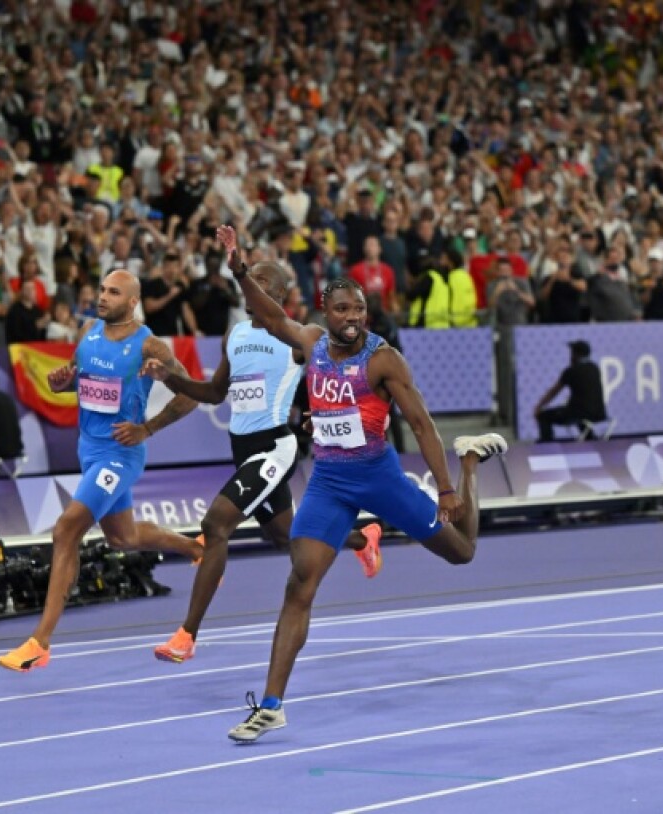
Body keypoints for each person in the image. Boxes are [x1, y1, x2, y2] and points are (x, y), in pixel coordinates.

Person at [215, 224, 506, 743]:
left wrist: (446, 488)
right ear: (326, 312)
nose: (353, 319)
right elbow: (270, 314)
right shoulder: (310, 343)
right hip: (328, 482)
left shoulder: (382, 359)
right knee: (298, 583)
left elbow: (421, 424)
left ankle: (472, 462)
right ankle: (273, 705)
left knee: (461, 552)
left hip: (379, 479)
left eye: (360, 311)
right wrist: (239, 269)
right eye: (344, 310)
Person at [141, 263, 383, 664]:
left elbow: (340, 374)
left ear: (280, 295)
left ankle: (187, 635)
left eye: (261, 281)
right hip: (243, 450)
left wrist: (338, 413)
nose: (251, 284)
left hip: (275, 448)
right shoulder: (235, 334)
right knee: (287, 537)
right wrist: (172, 378)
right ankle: (362, 538)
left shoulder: (297, 337)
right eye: (249, 278)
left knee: (215, 524)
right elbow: (216, 393)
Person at [0, 270, 209, 671]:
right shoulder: (91, 331)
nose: (103, 296)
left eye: (113, 292)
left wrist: (147, 427)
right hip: (88, 450)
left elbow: (192, 396)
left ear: (132, 302)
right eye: (102, 290)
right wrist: (63, 385)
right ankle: (195, 547)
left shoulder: (149, 345)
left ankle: (39, 643)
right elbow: (85, 383)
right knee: (122, 537)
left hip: (120, 454)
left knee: (66, 529)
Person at [533, 340, 608, 442]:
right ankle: (590, 438)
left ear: (576, 354)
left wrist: (539, 406)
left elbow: (554, 392)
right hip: (599, 413)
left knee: (543, 416)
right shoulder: (594, 368)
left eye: (572, 353)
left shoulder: (571, 371)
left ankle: (546, 444)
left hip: (579, 413)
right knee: (581, 411)